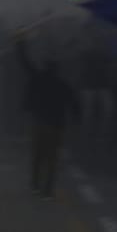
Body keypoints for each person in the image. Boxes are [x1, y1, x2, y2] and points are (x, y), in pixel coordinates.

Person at [16, 35, 78, 200]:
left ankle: (35, 185)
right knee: (52, 159)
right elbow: (74, 104)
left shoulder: (38, 78)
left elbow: (25, 62)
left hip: (39, 123)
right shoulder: (63, 85)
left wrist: (20, 42)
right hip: (57, 126)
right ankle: (48, 190)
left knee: (37, 156)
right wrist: (76, 121)